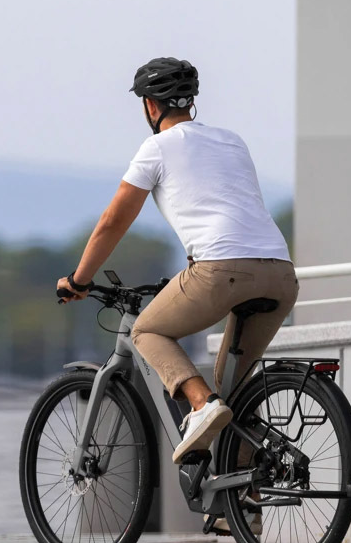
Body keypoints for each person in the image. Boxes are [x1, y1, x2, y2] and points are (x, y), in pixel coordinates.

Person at [56, 57, 298, 474]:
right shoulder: (232, 141)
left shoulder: (156, 148)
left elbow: (113, 221)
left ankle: (200, 405)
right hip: (280, 273)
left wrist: (80, 279)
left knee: (145, 330)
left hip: (221, 269)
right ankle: (244, 506)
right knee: (235, 395)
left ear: (151, 106)